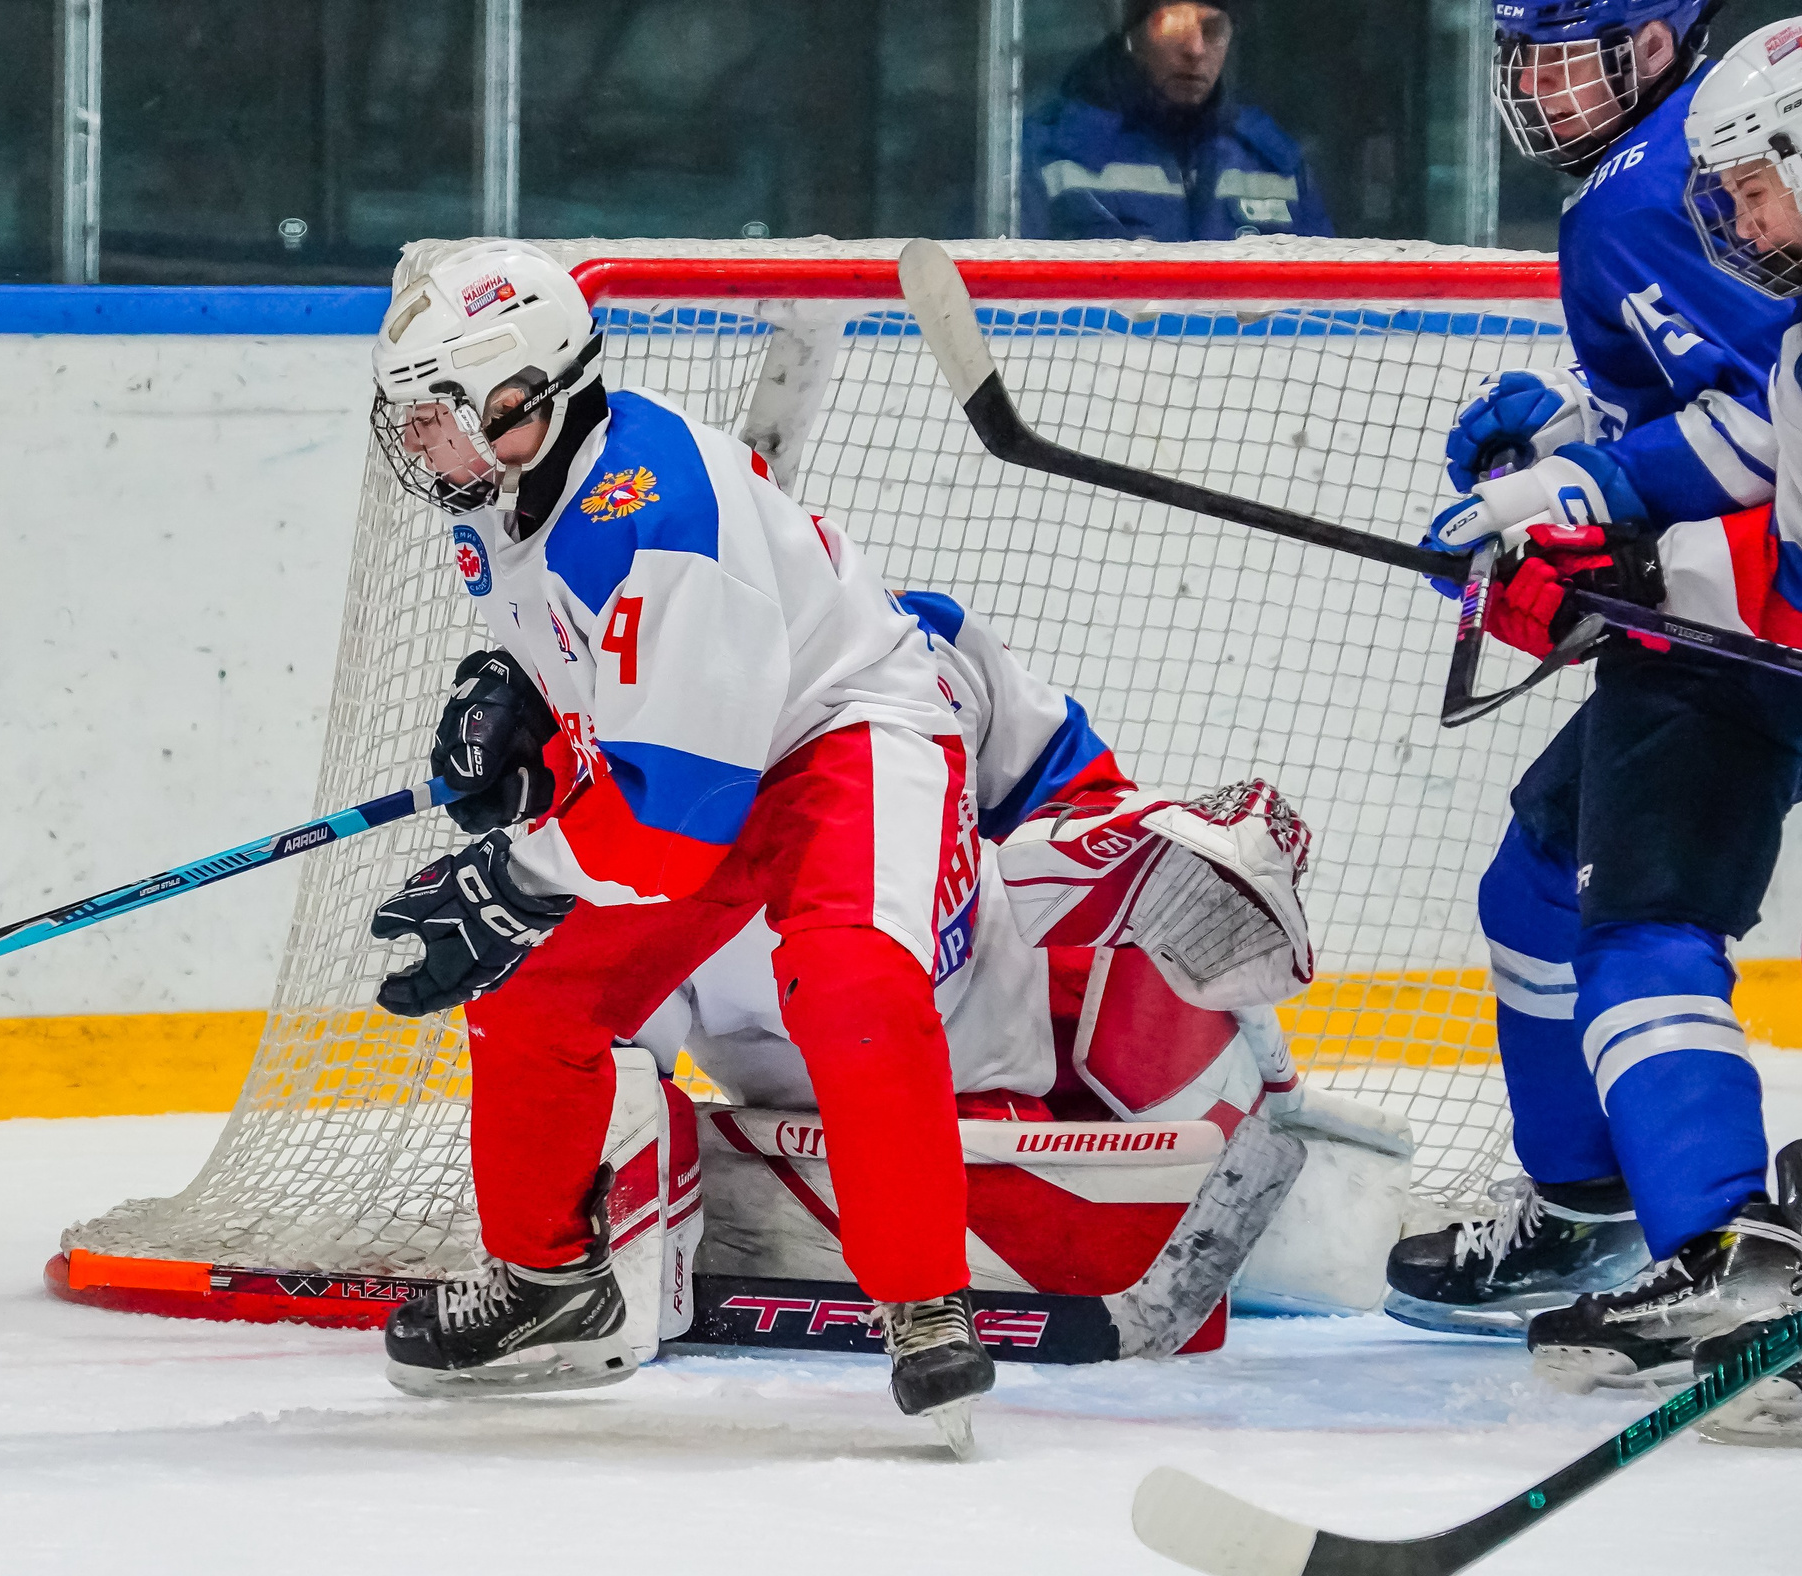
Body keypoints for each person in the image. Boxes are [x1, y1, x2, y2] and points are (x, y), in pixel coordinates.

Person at [360, 241, 1316, 1453]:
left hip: (842, 739)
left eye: (436, 419)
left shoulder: (649, 517)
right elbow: (606, 686)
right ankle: (549, 1286)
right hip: (711, 763)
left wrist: (513, 877)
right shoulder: (507, 493)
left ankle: (923, 1307)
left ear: (520, 400)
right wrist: (519, 707)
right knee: (536, 998)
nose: (418, 446)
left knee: (853, 979)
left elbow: (668, 820)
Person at [1384, 0, 1799, 1354]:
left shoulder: (1638, 195)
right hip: (1722, 628)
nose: (1734, 215)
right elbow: (1740, 419)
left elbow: (1750, 469)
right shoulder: (1742, 255)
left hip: (1736, 648)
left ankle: (1722, 1244)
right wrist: (1583, 463)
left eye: (1752, 187)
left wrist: (1598, 534)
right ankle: (1595, 1201)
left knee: (1640, 930)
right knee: (1538, 881)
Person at [1019, 0, 1332, 243]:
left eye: (1213, 31)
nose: (1195, 50)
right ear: (1133, 35)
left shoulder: (1273, 162)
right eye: (1173, 27)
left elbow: (1325, 304)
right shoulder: (1054, 153)